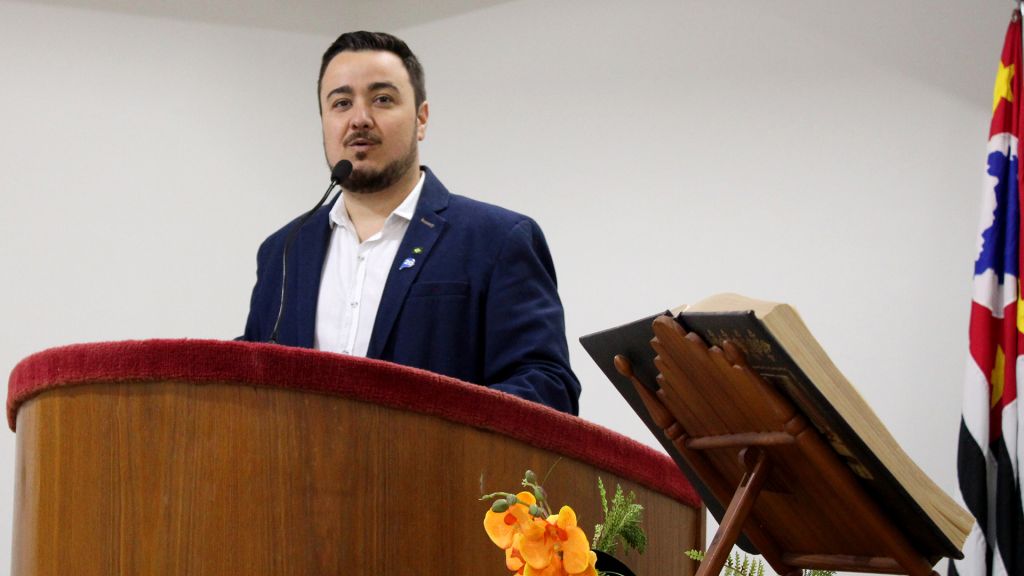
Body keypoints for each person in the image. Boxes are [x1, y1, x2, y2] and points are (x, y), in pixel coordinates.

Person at [241, 31, 580, 415]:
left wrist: (436, 429)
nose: (359, 119)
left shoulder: (497, 240)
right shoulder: (284, 251)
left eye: (382, 99)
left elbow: (547, 387)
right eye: (341, 103)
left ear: (421, 118)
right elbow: (252, 382)